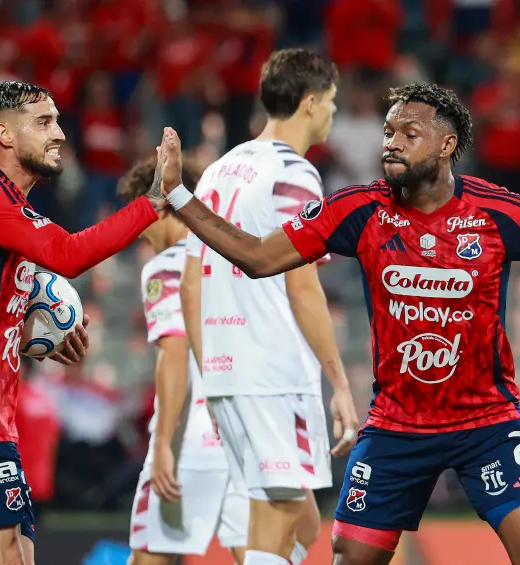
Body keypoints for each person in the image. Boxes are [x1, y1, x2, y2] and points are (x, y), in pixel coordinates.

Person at [153, 81, 520, 565]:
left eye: (408, 135)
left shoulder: (497, 212)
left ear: (446, 145)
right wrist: (178, 195)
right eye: (389, 132)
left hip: (486, 420)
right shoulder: (360, 209)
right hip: (398, 425)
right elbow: (260, 257)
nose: (391, 144)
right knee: (352, 556)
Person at [0, 81, 161, 565]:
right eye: (43, 122)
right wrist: (152, 203)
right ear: (3, 133)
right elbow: (67, 254)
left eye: (58, 121)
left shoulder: (6, 205)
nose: (59, 133)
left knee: (18, 557)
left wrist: (33, 333)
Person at [177, 48, 360, 565]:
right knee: (278, 516)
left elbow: (190, 286)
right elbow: (302, 288)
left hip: (226, 370)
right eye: (330, 101)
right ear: (308, 103)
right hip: (273, 371)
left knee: (301, 520)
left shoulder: (217, 171)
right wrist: (339, 382)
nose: (332, 113)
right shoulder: (294, 174)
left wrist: (209, 373)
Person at [117, 156, 248, 565]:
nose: (137, 231)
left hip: (189, 440)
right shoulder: (233, 261)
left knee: (148, 558)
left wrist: (163, 448)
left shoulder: (166, 266)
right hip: (241, 437)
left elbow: (174, 353)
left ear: (161, 205)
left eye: (140, 213)